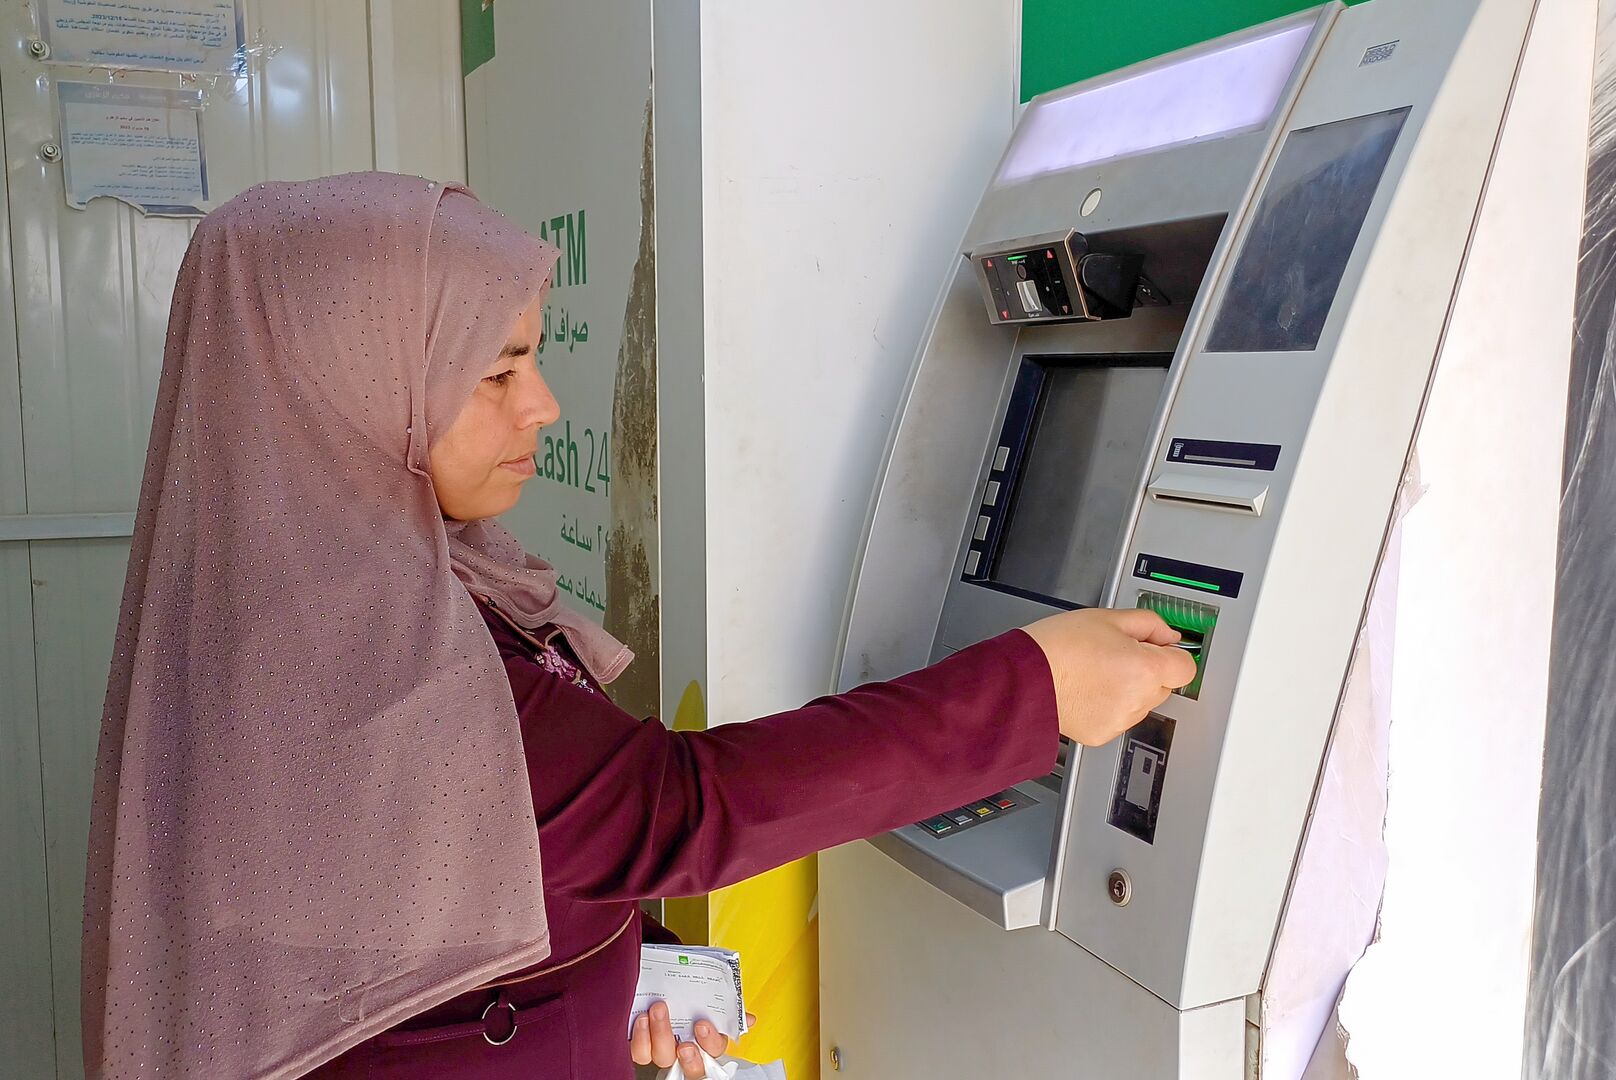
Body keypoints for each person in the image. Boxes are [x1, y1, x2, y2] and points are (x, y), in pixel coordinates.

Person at [80, 173, 1196, 1080]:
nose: (545, 406)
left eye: (538, 355)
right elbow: (678, 806)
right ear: (355, 394)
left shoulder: (326, 591)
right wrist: (1032, 688)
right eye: (498, 370)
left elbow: (435, 931)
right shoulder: (357, 673)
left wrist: (599, 987)